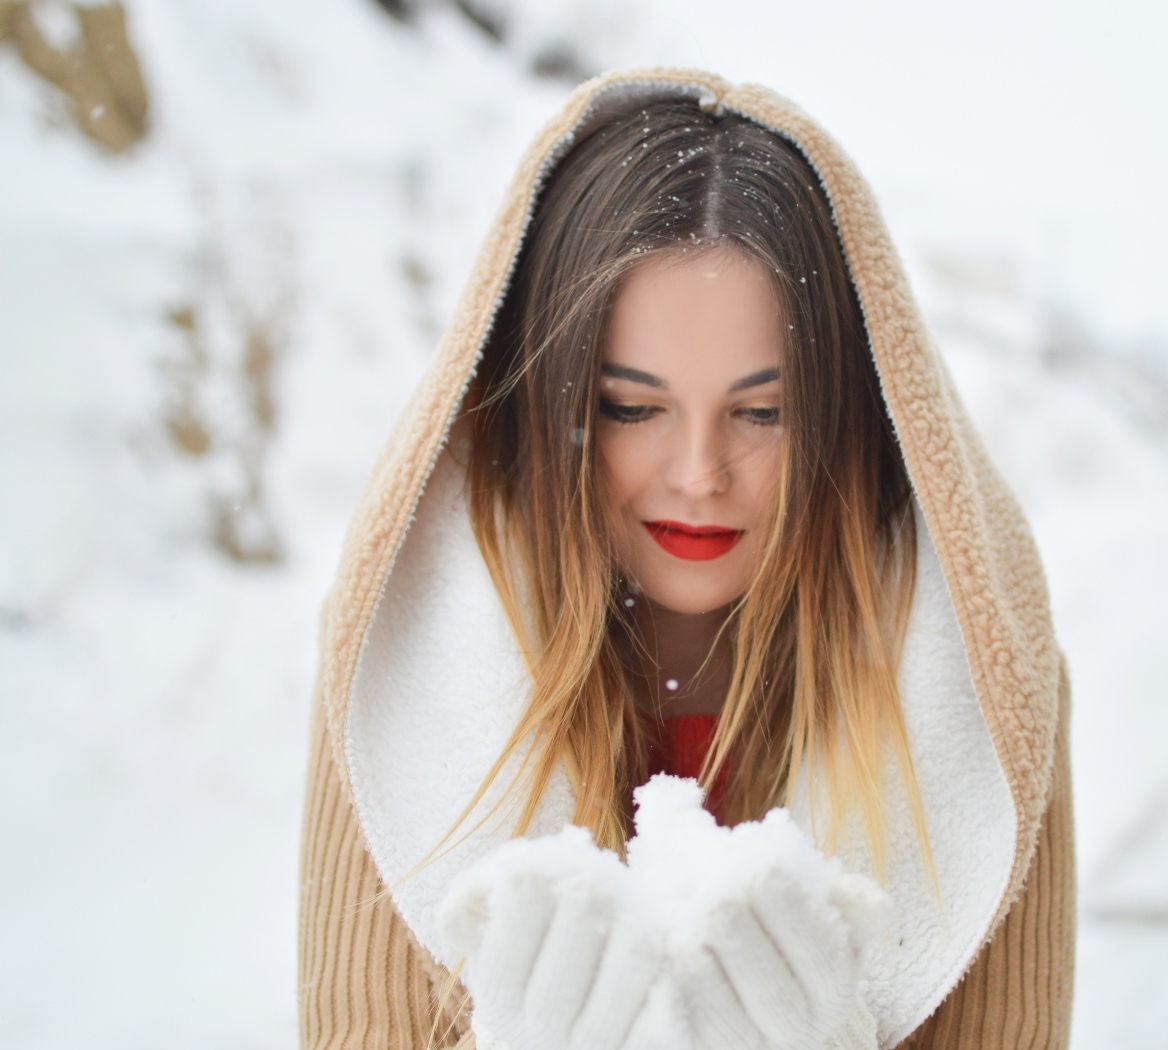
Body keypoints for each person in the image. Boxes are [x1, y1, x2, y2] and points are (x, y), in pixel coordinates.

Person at [299, 69, 1075, 1050]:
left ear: (846, 419)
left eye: (760, 412)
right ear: (549, 406)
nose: (700, 473)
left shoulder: (978, 695)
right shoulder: (399, 665)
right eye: (631, 408)